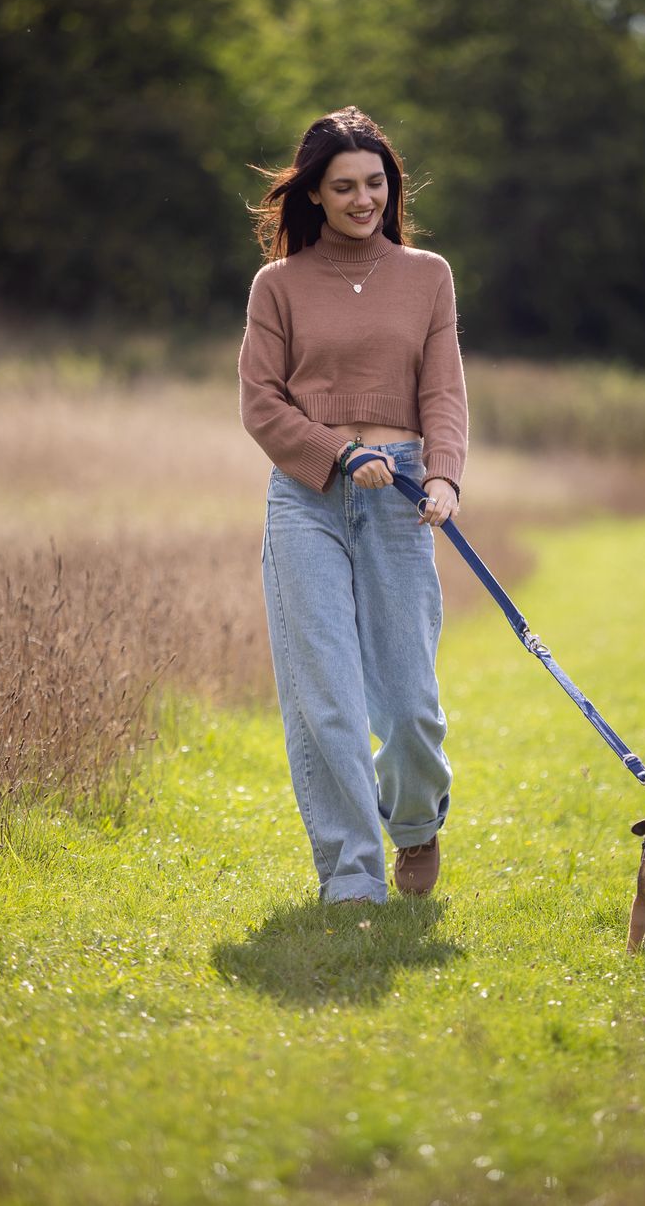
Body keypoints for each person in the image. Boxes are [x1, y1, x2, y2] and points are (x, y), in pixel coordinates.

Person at [238, 105, 468, 905]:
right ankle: (351, 875)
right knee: (326, 697)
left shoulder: (427, 275)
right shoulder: (279, 285)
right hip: (307, 498)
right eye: (345, 187)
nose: (364, 198)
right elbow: (261, 405)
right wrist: (338, 453)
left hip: (404, 496)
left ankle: (414, 823)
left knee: (409, 705)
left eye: (376, 182)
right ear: (314, 196)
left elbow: (442, 391)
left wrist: (442, 475)